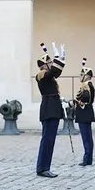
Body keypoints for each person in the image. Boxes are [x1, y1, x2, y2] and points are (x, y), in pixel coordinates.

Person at [35, 42, 65, 178]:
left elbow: (56, 72)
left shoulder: (49, 76)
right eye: (50, 63)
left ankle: (45, 167)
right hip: (48, 110)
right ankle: (42, 168)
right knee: (47, 140)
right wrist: (57, 57)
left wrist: (61, 60)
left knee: (50, 140)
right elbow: (53, 71)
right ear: (45, 65)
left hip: (52, 110)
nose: (51, 65)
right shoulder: (41, 75)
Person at [74, 58, 95, 167]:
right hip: (86, 114)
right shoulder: (87, 85)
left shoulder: (87, 85)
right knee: (87, 137)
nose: (80, 76)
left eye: (82, 74)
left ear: (86, 76)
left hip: (84, 114)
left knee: (86, 137)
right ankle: (88, 158)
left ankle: (87, 159)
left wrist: (78, 102)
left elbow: (87, 98)